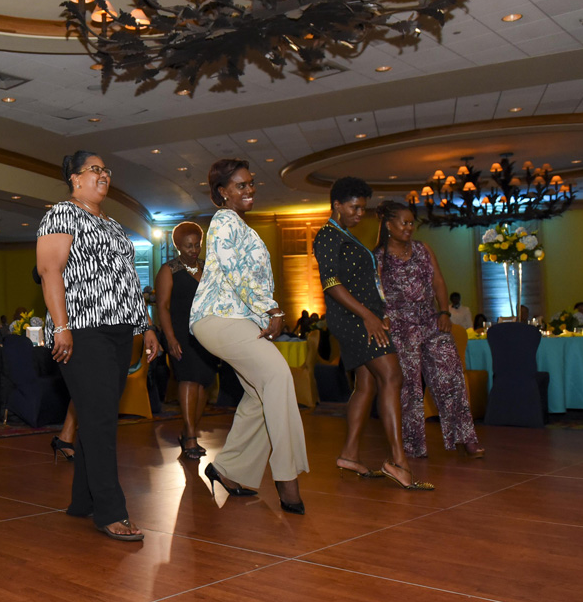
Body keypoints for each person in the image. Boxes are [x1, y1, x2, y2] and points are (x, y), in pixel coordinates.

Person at [36, 150, 160, 542]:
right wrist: (61, 326)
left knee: (97, 415)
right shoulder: (62, 214)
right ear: (74, 178)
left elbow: (129, 279)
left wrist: (146, 325)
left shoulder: (113, 224)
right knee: (101, 419)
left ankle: (83, 500)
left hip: (121, 330)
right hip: (83, 329)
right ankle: (111, 510)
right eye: (94, 169)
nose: (103, 174)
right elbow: (49, 270)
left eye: (106, 170)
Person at [189, 160, 308, 514]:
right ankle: (286, 478)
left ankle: (228, 470)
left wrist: (263, 314)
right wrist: (272, 310)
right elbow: (236, 274)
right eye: (241, 185)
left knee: (259, 396)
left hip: (239, 318)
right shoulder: (224, 221)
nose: (250, 190)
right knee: (278, 376)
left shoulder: (240, 225)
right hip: (219, 317)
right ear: (222, 192)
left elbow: (250, 280)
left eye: (251, 183)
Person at [313, 177, 433, 490]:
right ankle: (398, 461)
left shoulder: (345, 235)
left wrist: (380, 314)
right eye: (354, 207)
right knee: (392, 376)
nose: (359, 213)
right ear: (337, 204)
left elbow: (367, 284)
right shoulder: (327, 235)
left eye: (362, 208)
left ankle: (350, 454)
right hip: (353, 320)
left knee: (366, 385)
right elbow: (331, 283)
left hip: (366, 318)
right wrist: (368, 316)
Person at [375, 202, 484, 459]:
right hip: (399, 327)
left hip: (430, 321)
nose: (409, 227)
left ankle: (466, 437)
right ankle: (413, 445)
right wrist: (383, 319)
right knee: (409, 387)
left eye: (411, 222)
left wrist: (444, 312)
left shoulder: (423, 249)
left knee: (451, 377)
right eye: (404, 222)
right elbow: (376, 294)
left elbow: (438, 281)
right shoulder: (379, 256)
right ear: (388, 225)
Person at [154, 221, 219, 459]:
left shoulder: (208, 268)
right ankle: (191, 436)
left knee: (204, 383)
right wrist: (170, 338)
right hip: (181, 332)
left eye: (197, 245)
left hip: (207, 333)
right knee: (189, 379)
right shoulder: (169, 270)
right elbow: (162, 307)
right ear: (178, 246)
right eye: (188, 246)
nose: (193, 250)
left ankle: (188, 431)